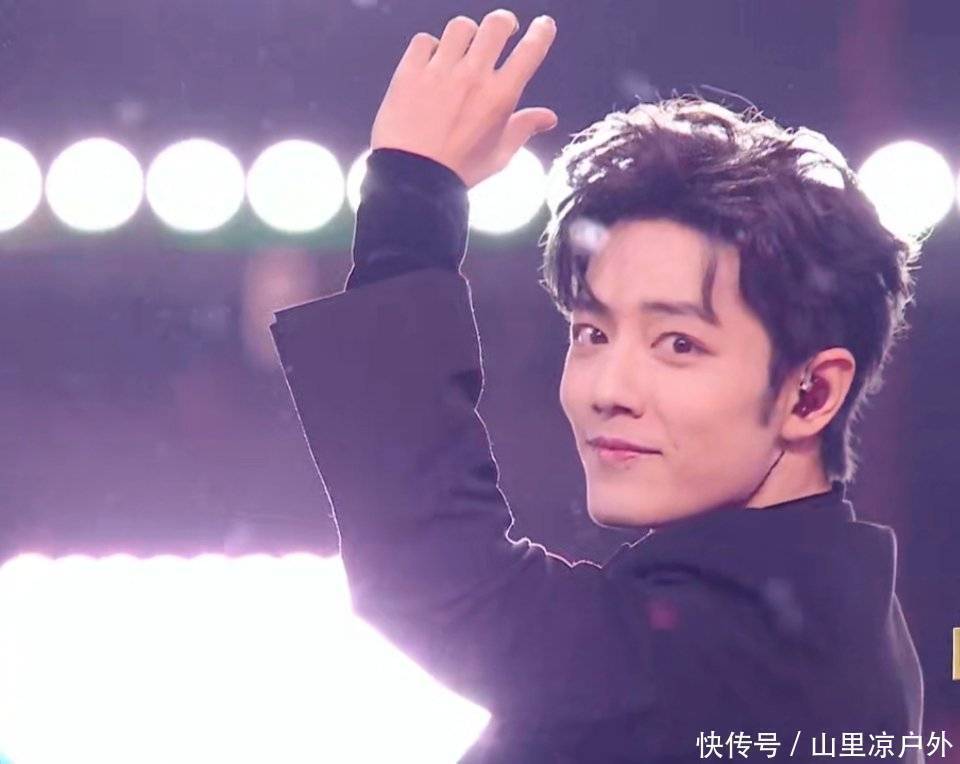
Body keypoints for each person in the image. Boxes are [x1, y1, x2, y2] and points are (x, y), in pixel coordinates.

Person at [269, 9, 926, 762]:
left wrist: (410, 205)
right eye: (593, 334)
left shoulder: (767, 652)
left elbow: (450, 583)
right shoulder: (809, 616)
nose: (608, 389)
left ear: (811, 395)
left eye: (679, 343)